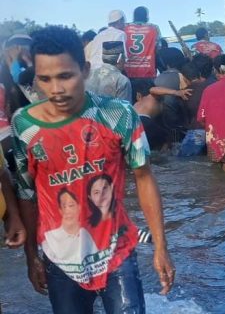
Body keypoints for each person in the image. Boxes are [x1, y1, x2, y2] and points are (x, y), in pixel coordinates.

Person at [12, 26, 174, 312]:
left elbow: (144, 177)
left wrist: (160, 246)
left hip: (117, 251)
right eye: (45, 79)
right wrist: (31, 256)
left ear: (85, 70)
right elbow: (27, 193)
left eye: (66, 76)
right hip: (60, 260)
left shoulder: (118, 115)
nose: (56, 89)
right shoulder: (24, 125)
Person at [42, 188, 99, 266]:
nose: (67, 211)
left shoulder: (85, 234)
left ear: (79, 207)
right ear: (60, 210)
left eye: (71, 205)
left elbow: (96, 261)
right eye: (64, 206)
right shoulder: (50, 238)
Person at [178, 60, 214, 157]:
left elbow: (185, 119)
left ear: (183, 77)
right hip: (215, 130)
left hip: (197, 131)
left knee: (184, 161)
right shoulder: (211, 86)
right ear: (199, 74)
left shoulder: (185, 93)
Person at [124, 6, 161, 80]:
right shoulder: (154, 28)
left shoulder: (125, 27)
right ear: (146, 17)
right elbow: (158, 49)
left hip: (128, 72)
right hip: (148, 73)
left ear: (134, 16)